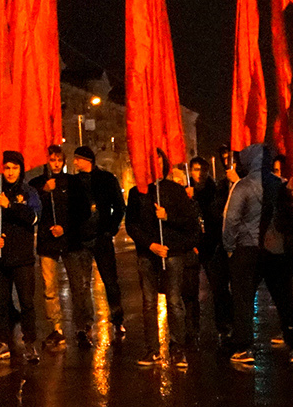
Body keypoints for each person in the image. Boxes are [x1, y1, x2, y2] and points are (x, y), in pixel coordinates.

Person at [222, 145, 293, 363]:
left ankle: (244, 346)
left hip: (247, 250)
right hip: (275, 250)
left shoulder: (243, 186)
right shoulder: (279, 184)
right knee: (284, 298)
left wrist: (229, 246)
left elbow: (231, 220)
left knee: (243, 299)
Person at [126, 156, 201, 363]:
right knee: (149, 303)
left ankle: (178, 347)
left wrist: (168, 218)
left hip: (172, 254)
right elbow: (132, 224)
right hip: (147, 254)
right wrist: (150, 245)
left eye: (159, 162)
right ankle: (152, 349)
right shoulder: (137, 192)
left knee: (175, 301)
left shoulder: (175, 191)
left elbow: (190, 223)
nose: (155, 166)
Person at [0, 150, 41, 365]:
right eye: (7, 168)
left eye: (15, 168)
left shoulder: (28, 191)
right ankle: (2, 342)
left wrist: (11, 207)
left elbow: (33, 218)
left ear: (21, 169)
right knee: (1, 303)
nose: (11, 172)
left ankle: (30, 342)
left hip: (22, 259)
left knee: (26, 302)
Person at [31, 146, 95, 349]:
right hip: (47, 243)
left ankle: (82, 327)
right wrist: (44, 192)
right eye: (52, 160)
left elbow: (83, 211)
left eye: (59, 160)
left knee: (78, 287)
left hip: (70, 242)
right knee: (50, 288)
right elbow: (30, 210)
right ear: (47, 162)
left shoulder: (73, 182)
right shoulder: (37, 184)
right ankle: (56, 328)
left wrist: (65, 227)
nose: (56, 164)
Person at [71, 145, 127, 339]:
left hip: (102, 238)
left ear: (87, 160)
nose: (75, 162)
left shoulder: (106, 179)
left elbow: (119, 207)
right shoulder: (74, 182)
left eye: (78, 159)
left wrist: (110, 230)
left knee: (110, 281)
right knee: (82, 285)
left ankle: (117, 319)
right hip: (81, 240)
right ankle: (85, 323)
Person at [190, 155, 233, 341]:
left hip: (211, 245)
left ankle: (224, 325)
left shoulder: (214, 190)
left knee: (219, 288)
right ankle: (192, 328)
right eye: (195, 169)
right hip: (191, 246)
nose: (199, 174)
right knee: (189, 290)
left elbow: (217, 216)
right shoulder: (185, 190)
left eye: (202, 170)